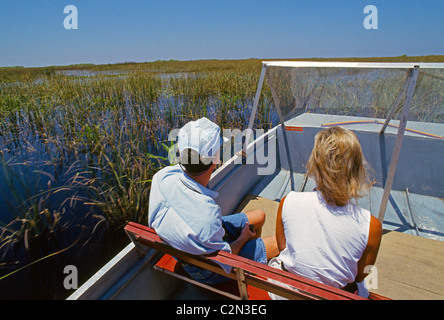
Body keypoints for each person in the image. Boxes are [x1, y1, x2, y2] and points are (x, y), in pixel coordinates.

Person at [148, 117, 278, 285]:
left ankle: (251, 255)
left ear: (180, 154)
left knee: (259, 215)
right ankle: (249, 263)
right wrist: (243, 238)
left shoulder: (161, 177)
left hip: (190, 246)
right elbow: (225, 259)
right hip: (207, 272)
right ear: (216, 162)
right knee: (276, 242)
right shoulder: (208, 216)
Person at [269, 126, 382, 299]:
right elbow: (360, 275)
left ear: (315, 165)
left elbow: (284, 248)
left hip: (285, 293)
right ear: (356, 169)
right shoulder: (371, 226)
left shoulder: (288, 202)